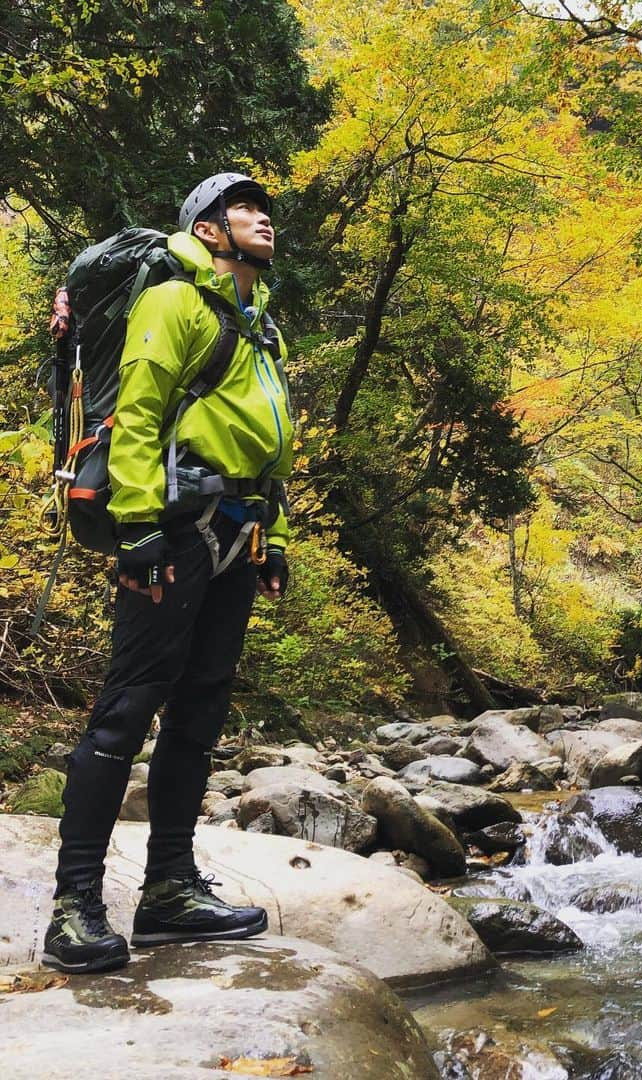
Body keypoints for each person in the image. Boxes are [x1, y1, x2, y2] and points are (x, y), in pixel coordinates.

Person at [43, 172, 294, 974]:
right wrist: (141, 531)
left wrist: (274, 535)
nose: (261, 217)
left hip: (236, 531)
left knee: (200, 711)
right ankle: (74, 908)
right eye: (242, 208)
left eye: (263, 208)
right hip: (176, 530)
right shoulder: (174, 301)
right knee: (128, 708)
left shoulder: (262, 327)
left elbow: (268, 444)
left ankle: (169, 890)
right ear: (210, 230)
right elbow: (143, 416)